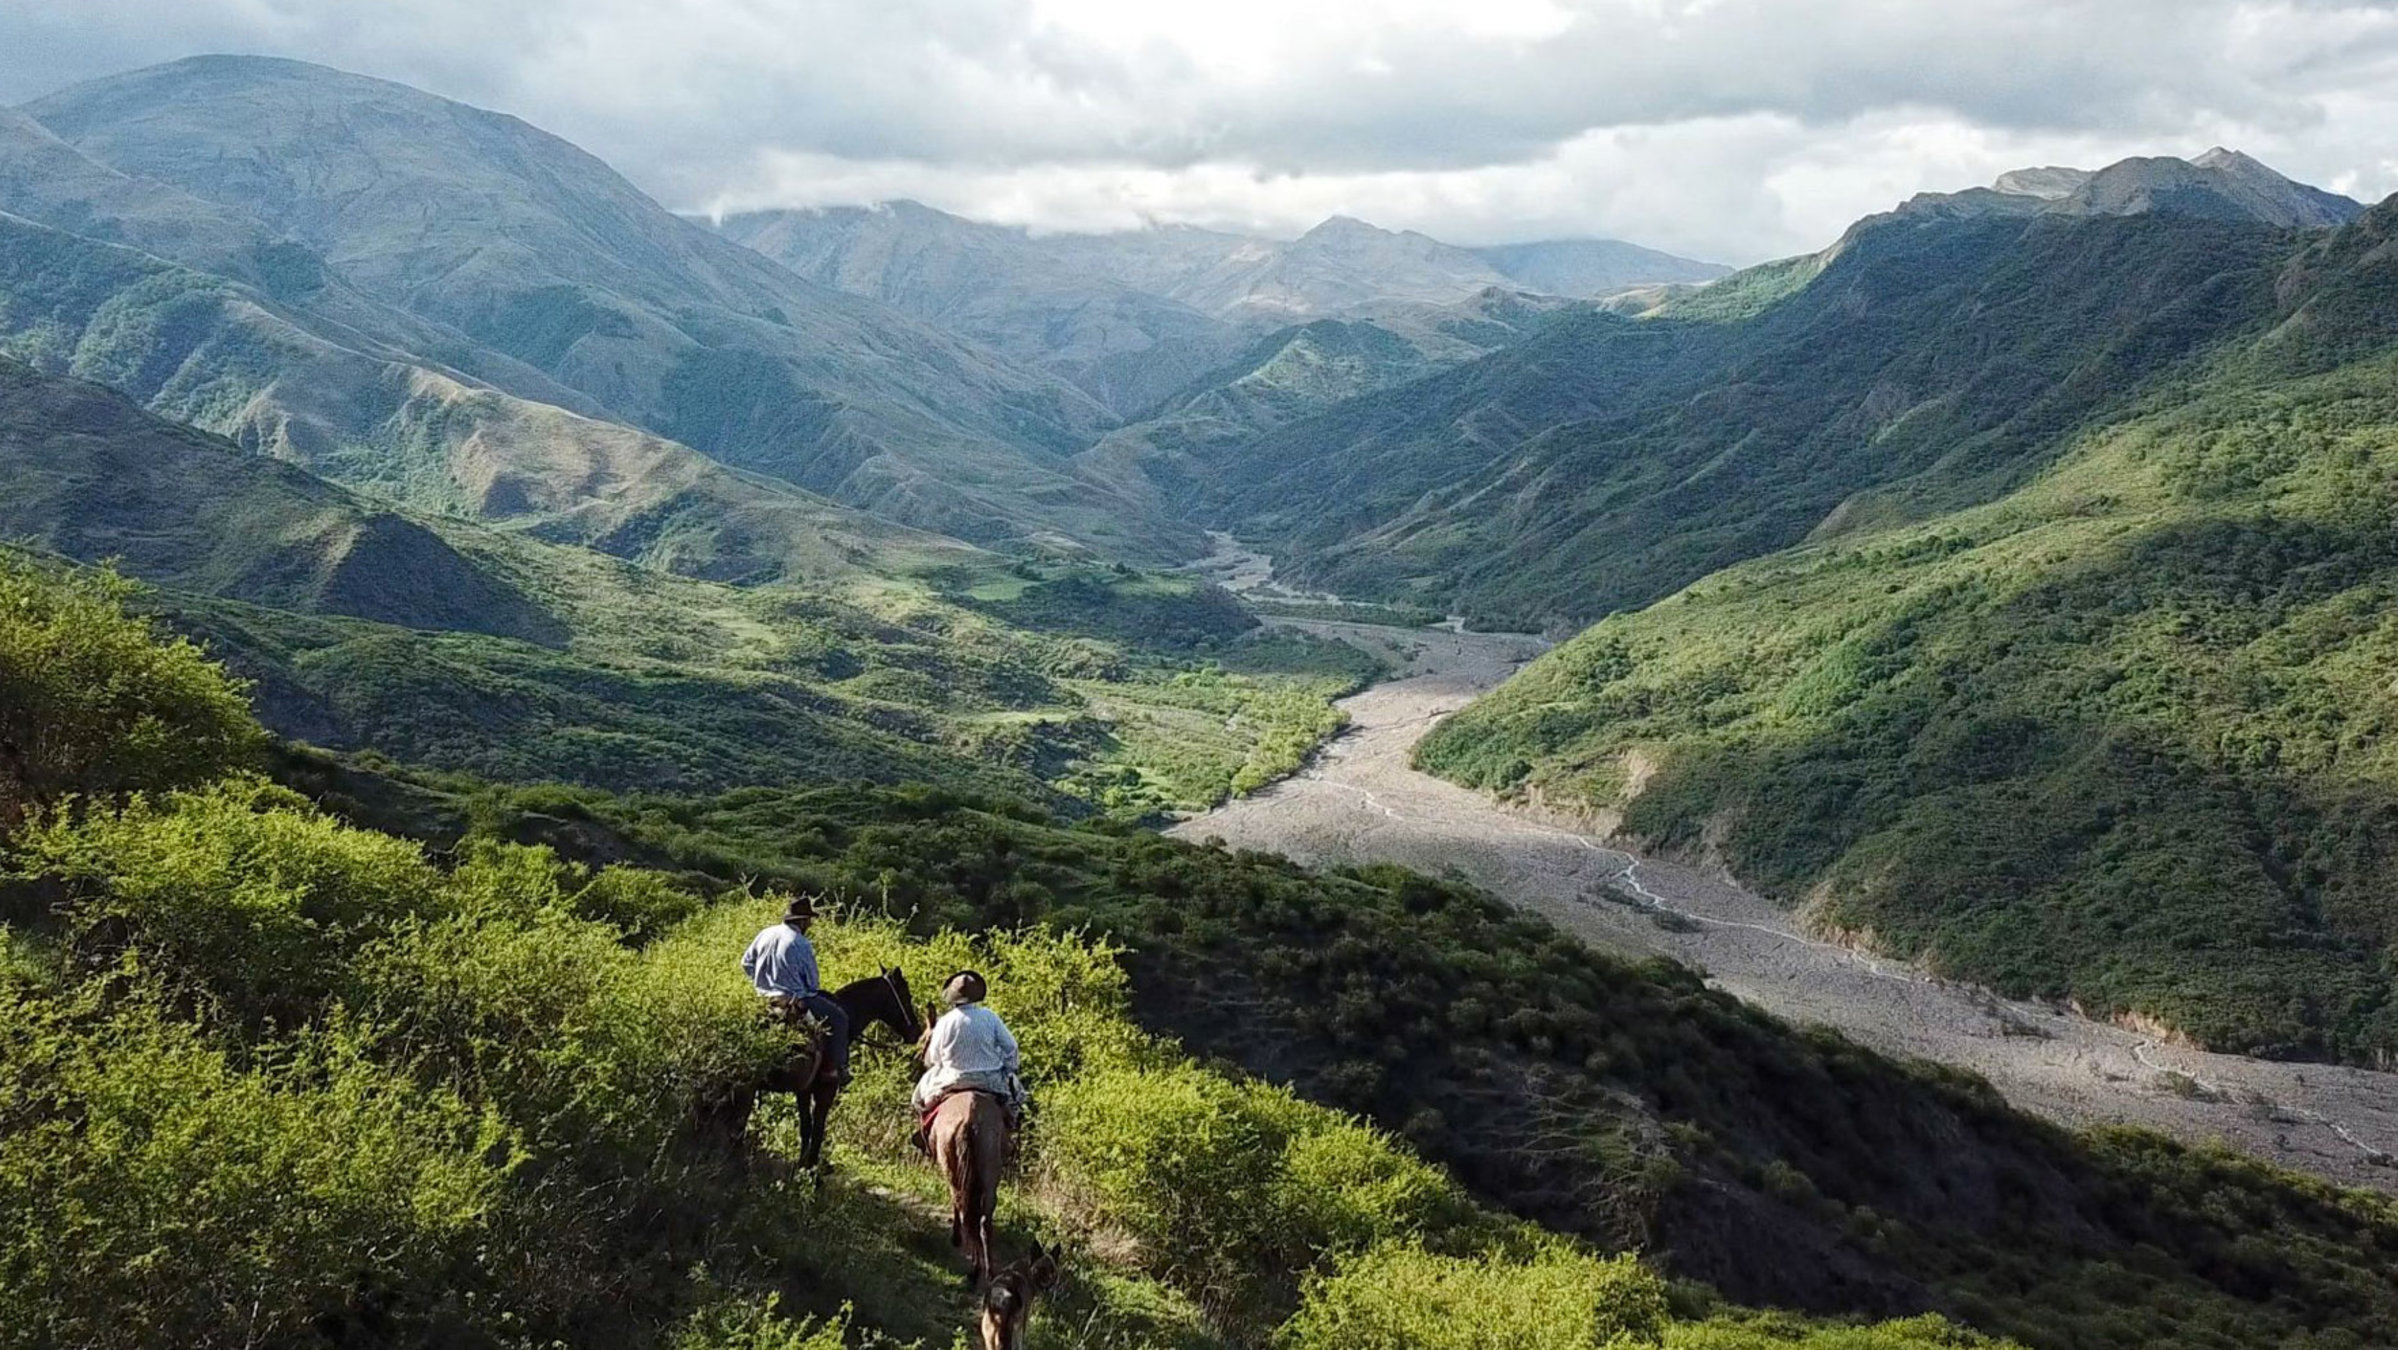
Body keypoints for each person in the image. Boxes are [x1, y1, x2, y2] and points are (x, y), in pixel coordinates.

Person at [741, 895, 849, 1086]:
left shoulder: (764, 933)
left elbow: (746, 963)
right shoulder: (800, 942)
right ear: (802, 921)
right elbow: (813, 983)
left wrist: (759, 982)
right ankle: (835, 1069)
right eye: (808, 920)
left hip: (761, 998)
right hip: (795, 998)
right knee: (839, 1018)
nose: (809, 925)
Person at [914, 969, 1025, 1126]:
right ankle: (1014, 1127)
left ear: (952, 996)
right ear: (976, 995)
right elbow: (1011, 1046)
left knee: (918, 1099)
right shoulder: (990, 1016)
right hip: (989, 1080)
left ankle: (924, 1131)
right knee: (1017, 1101)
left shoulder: (945, 1021)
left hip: (953, 1079)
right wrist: (1009, 1068)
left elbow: (934, 1058)